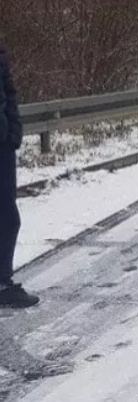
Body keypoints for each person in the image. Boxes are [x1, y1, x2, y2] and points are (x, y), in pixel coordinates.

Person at [0, 40, 37, 308]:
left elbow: (9, 93)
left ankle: (3, 282)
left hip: (2, 144)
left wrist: (14, 132)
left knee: (8, 217)